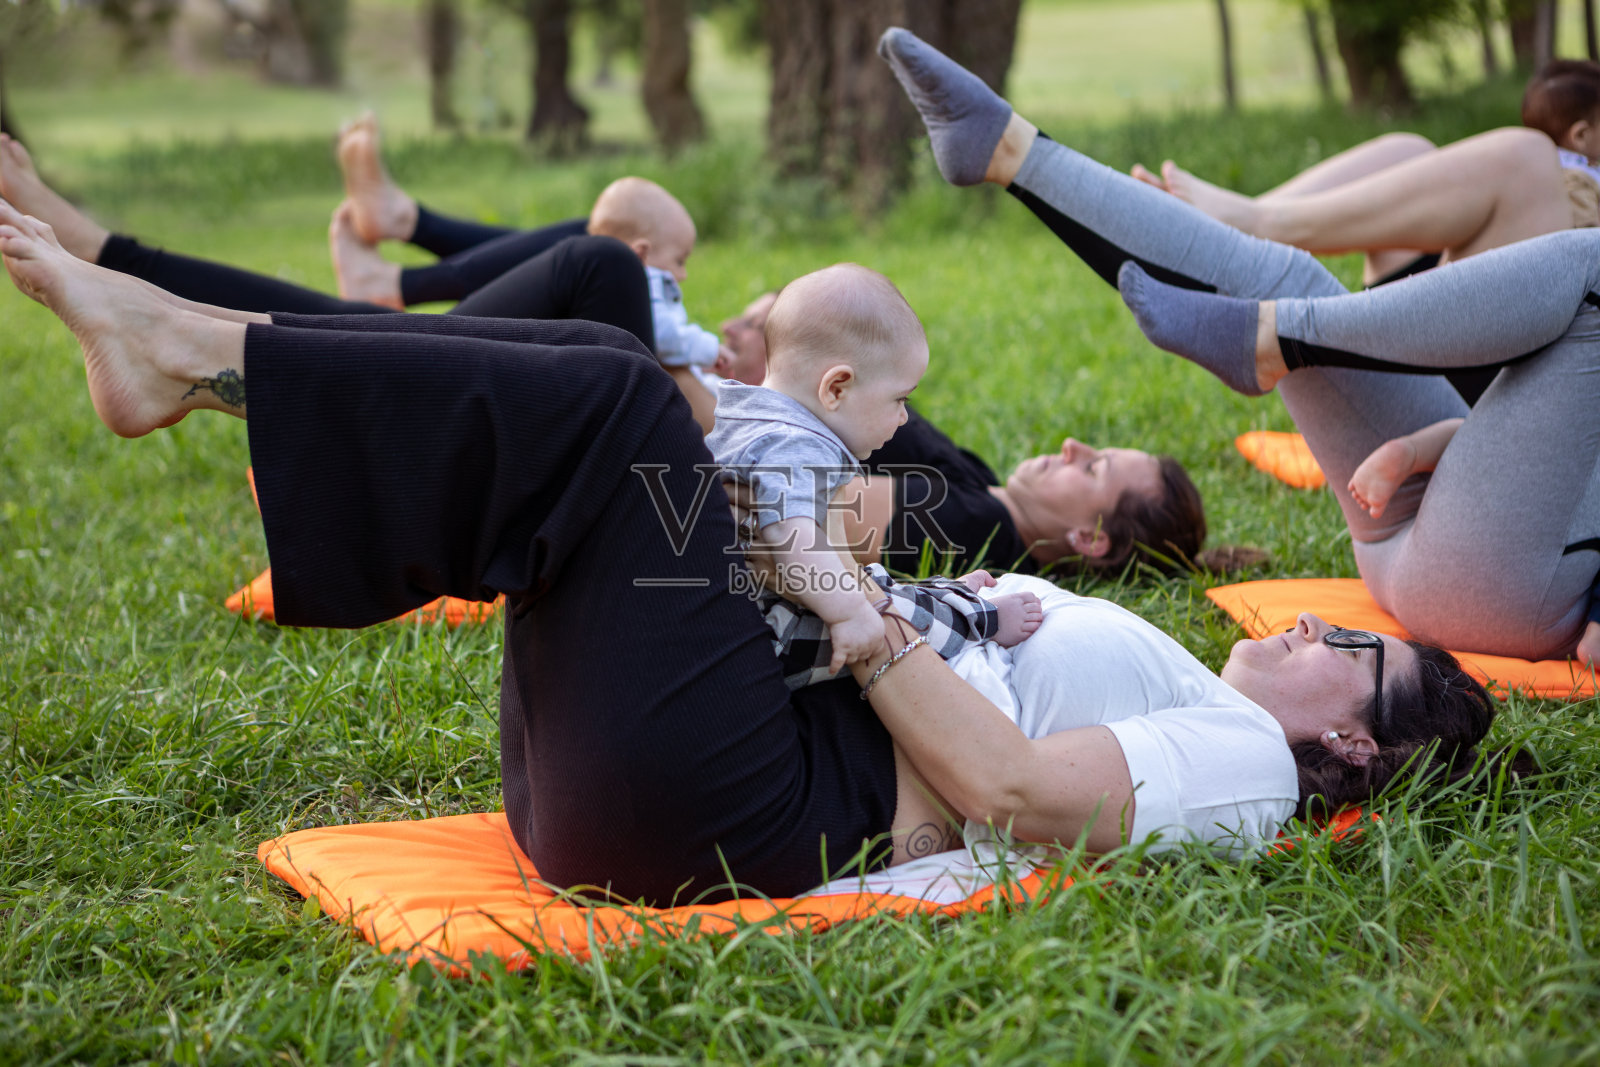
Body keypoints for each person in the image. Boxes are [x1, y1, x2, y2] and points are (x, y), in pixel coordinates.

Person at [0, 198, 1498, 905]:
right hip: (673, 765)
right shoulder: (1201, 685)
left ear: (1356, 750)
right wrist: (786, 507)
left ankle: (193, 355)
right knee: (606, 366)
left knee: (601, 398)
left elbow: (1021, 791)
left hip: (743, 802)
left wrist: (842, 593)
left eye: (1350, 649)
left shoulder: (1245, 764)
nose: (1314, 630)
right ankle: (219, 369)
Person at [878, 26, 1600, 666]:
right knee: (1291, 276)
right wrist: (1420, 450)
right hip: (1423, 515)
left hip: (1500, 585)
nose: (1071, 446)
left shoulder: (962, 513)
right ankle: (1010, 151)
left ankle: (1275, 336)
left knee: (1590, 266)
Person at [710, 262, 1042, 685]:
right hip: (767, 634)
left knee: (870, 582)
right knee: (886, 619)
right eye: (899, 399)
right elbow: (790, 534)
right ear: (836, 388)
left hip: (755, 603)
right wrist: (848, 614)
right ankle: (979, 621)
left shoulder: (749, 416)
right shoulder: (794, 443)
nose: (904, 418)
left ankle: (946, 594)